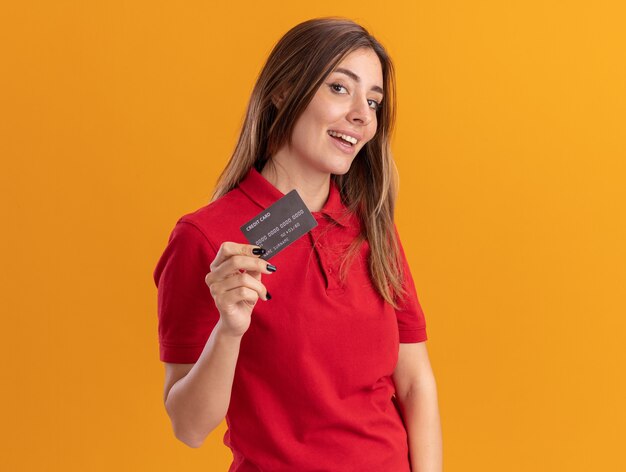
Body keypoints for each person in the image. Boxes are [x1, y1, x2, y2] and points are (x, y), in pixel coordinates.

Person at [153, 17, 442, 472]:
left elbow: (415, 383)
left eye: (373, 100)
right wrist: (229, 330)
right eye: (340, 88)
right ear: (284, 91)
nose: (362, 115)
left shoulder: (373, 227)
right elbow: (189, 428)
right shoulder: (205, 238)